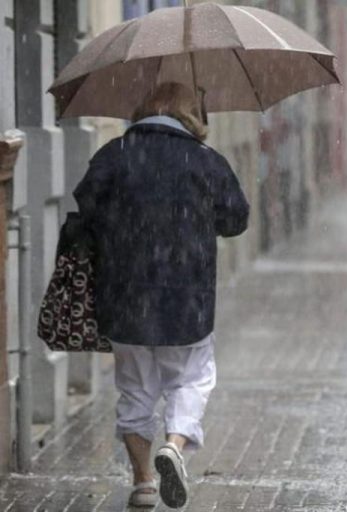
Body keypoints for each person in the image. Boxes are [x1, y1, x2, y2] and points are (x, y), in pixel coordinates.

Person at [73, 82, 249, 509]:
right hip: (185, 299)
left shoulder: (114, 155)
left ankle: (143, 482)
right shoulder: (205, 161)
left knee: (135, 390)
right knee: (192, 378)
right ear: (191, 115)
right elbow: (236, 219)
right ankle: (174, 443)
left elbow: (86, 209)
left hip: (125, 296)